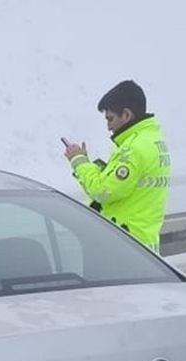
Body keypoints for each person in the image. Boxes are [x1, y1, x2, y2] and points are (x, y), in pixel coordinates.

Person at [63, 80, 171, 253]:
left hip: (127, 247)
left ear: (126, 115)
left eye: (110, 118)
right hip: (145, 247)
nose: (108, 126)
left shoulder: (132, 149)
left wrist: (79, 162)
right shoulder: (153, 141)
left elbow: (102, 191)